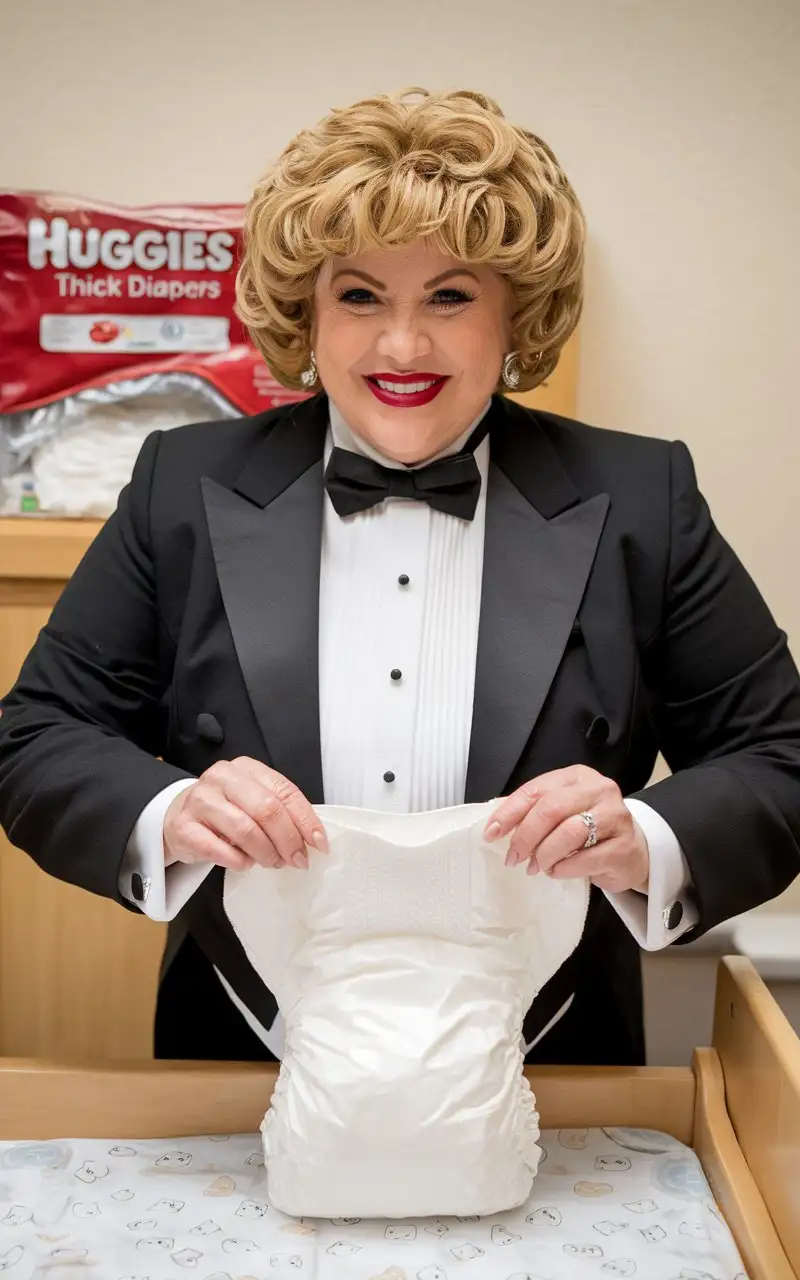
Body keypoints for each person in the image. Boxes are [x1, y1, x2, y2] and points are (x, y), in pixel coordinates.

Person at [1, 88, 799, 1067]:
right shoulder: (183, 481)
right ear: (308, 309)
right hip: (245, 1056)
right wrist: (170, 810)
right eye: (360, 295)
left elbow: (779, 755)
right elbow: (34, 736)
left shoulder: (639, 495)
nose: (401, 347)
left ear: (517, 310)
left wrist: (643, 834)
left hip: (550, 1058)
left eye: (449, 296)